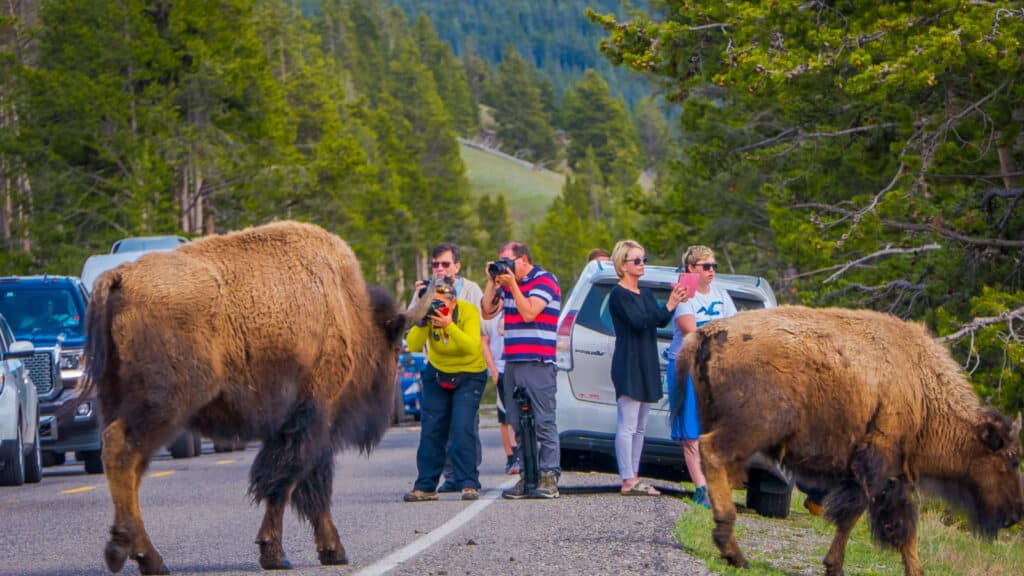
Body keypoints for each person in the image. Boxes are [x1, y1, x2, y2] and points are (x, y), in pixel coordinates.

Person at [481, 241, 562, 499]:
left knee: (543, 422)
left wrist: (512, 285)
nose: (504, 265)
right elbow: (486, 311)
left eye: (507, 260)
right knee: (516, 422)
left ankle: (549, 476)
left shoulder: (545, 280)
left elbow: (529, 312)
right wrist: (492, 281)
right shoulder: (506, 285)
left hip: (538, 362)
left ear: (523, 259)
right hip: (513, 362)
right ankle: (528, 476)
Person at [607, 240, 688, 496]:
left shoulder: (647, 293)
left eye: (644, 260)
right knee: (628, 423)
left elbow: (660, 319)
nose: (642, 265)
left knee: (641, 425)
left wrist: (673, 302)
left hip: (646, 360)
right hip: (628, 361)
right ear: (623, 264)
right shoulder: (619, 294)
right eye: (637, 260)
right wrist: (669, 305)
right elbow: (639, 321)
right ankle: (627, 478)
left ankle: (635, 474)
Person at [403, 277, 488, 502]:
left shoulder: (468, 312)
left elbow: (472, 347)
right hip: (438, 372)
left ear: (452, 302)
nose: (436, 308)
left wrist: (449, 325)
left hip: (470, 373)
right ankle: (426, 486)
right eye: (432, 303)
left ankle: (469, 483)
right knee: (432, 429)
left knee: (463, 428)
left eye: (440, 303)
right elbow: (411, 346)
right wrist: (421, 322)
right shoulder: (428, 317)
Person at [666, 245, 737, 508]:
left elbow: (735, 327)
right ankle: (700, 487)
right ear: (691, 269)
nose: (711, 272)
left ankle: (718, 485)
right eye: (705, 266)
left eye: (714, 266)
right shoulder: (684, 295)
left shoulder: (721, 294)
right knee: (690, 432)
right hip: (687, 366)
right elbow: (690, 330)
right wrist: (719, 332)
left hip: (716, 370)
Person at [481, 310, 520, 474]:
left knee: (521, 413)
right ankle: (511, 456)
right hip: (501, 369)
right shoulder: (489, 313)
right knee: (505, 416)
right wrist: (494, 370)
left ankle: (524, 454)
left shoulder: (518, 304)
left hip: (519, 366)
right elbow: (484, 341)